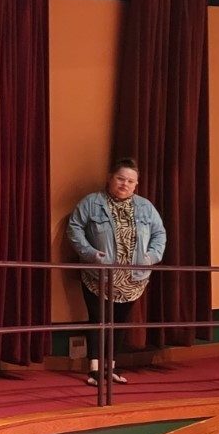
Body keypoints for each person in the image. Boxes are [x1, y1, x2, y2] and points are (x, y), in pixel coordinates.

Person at [65, 157, 166, 387]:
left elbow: (159, 234)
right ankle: (94, 370)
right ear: (110, 178)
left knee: (119, 322)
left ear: (136, 184)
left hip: (133, 278)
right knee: (98, 320)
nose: (125, 184)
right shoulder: (91, 202)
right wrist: (90, 253)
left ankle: (111, 368)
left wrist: (151, 257)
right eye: (120, 179)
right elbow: (74, 228)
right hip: (98, 275)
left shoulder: (146, 207)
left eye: (130, 181)